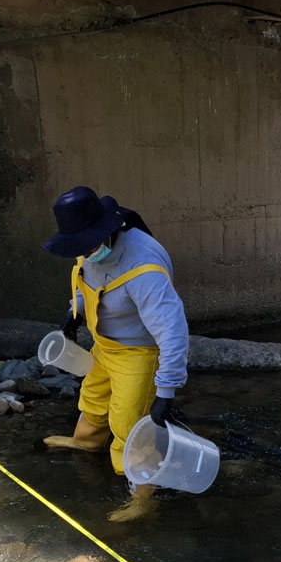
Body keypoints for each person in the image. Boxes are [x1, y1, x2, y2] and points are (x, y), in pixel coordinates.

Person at [41, 186, 189, 521]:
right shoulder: (91, 245)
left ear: (105, 231)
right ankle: (87, 443)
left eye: (87, 246)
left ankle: (143, 494)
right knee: (92, 398)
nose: (83, 252)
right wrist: (74, 312)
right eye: (79, 247)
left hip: (139, 353)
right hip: (105, 346)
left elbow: (174, 334)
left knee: (129, 424)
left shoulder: (144, 270)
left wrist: (165, 393)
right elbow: (88, 280)